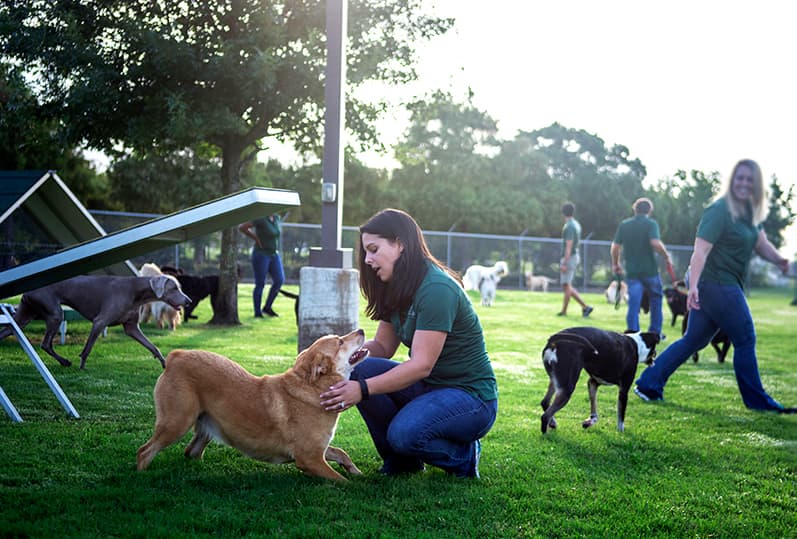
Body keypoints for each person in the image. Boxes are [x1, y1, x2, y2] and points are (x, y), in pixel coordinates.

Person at [320, 209, 498, 478]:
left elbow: (421, 366)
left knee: (403, 433)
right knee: (362, 368)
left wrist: (362, 389)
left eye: (374, 249)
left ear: (400, 244)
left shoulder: (437, 288)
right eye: (365, 252)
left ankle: (465, 456)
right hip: (432, 388)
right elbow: (382, 347)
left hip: (471, 398)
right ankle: (402, 463)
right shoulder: (397, 285)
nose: (367, 259)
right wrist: (341, 358)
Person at [635, 159, 795, 413]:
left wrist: (780, 260)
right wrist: (694, 286)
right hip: (715, 282)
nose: (744, 183)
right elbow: (700, 251)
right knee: (744, 337)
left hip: (720, 283)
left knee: (694, 340)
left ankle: (648, 384)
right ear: (732, 181)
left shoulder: (751, 214)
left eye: (749, 179)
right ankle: (759, 402)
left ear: (756, 185)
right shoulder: (719, 210)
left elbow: (761, 243)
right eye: (739, 178)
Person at [610, 197, 673, 337]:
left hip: (632, 272)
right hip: (650, 271)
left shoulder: (624, 225)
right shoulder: (651, 224)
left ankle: (633, 333)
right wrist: (666, 256)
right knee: (656, 301)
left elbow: (615, 247)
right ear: (649, 210)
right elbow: (655, 243)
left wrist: (616, 264)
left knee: (634, 304)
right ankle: (655, 332)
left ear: (634, 209)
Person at [238, 214, 285, 318]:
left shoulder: (276, 218)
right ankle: (257, 312)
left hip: (274, 254)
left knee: (279, 280)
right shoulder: (260, 218)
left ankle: (267, 307)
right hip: (261, 254)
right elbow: (242, 227)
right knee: (260, 283)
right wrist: (256, 238)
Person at [558, 202, 593, 317]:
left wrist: (565, 262)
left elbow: (569, 245)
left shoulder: (569, 226)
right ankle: (585, 307)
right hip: (574, 255)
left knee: (566, 285)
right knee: (566, 285)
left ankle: (564, 311)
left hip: (570, 256)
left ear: (563, 213)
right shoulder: (575, 224)